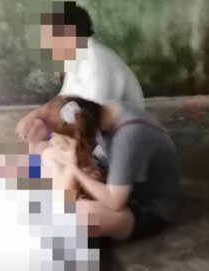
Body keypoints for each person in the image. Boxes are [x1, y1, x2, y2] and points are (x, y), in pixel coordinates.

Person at [37, 96, 179, 240]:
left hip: (146, 207)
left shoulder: (127, 137)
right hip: (119, 181)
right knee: (49, 154)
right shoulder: (102, 112)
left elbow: (114, 202)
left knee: (68, 215)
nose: (53, 140)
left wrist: (74, 168)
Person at [15, 1, 145, 149]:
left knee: (42, 151)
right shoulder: (78, 60)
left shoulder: (96, 61)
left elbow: (89, 122)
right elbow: (62, 107)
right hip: (97, 145)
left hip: (119, 149)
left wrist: (42, 117)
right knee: (37, 147)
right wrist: (40, 119)